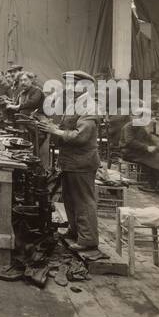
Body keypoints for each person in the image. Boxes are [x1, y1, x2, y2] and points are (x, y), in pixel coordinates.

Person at [42, 70, 100, 251]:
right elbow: (66, 127)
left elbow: (81, 137)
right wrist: (51, 127)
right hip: (70, 160)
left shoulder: (90, 107)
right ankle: (75, 231)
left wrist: (55, 131)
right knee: (69, 198)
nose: (68, 87)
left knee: (83, 200)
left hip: (82, 161)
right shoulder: (74, 103)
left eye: (72, 83)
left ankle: (88, 239)